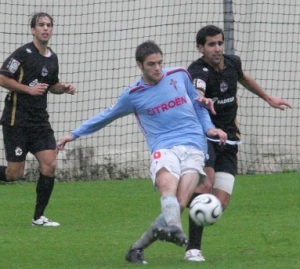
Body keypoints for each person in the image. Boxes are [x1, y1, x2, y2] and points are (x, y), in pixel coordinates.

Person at [56, 40, 227, 264]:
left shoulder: (179, 75)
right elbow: (106, 116)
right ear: (140, 66)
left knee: (180, 203)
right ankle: (174, 228)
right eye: (151, 64)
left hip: (194, 147)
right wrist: (74, 134)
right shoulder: (133, 94)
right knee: (168, 188)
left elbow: (198, 104)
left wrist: (209, 127)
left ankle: (137, 248)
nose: (158, 69)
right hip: (164, 147)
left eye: (159, 63)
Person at [185, 25, 292, 262]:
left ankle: (181, 202)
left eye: (220, 43)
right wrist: (200, 96)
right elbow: (198, 86)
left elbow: (243, 78)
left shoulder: (233, 62)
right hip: (206, 138)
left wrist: (268, 97)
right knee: (206, 186)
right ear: (200, 48)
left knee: (218, 205)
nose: (217, 48)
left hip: (230, 139)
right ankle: (193, 248)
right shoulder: (197, 69)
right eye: (211, 44)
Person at [0, 12, 76, 227]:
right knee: (14, 174)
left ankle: (38, 218)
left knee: (50, 164)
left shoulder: (52, 58)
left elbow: (51, 85)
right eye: (41, 25)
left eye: (49, 25)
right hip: (17, 121)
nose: (45, 28)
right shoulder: (22, 54)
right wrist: (28, 89)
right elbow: (2, 77)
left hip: (40, 123)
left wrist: (63, 88)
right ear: (33, 29)